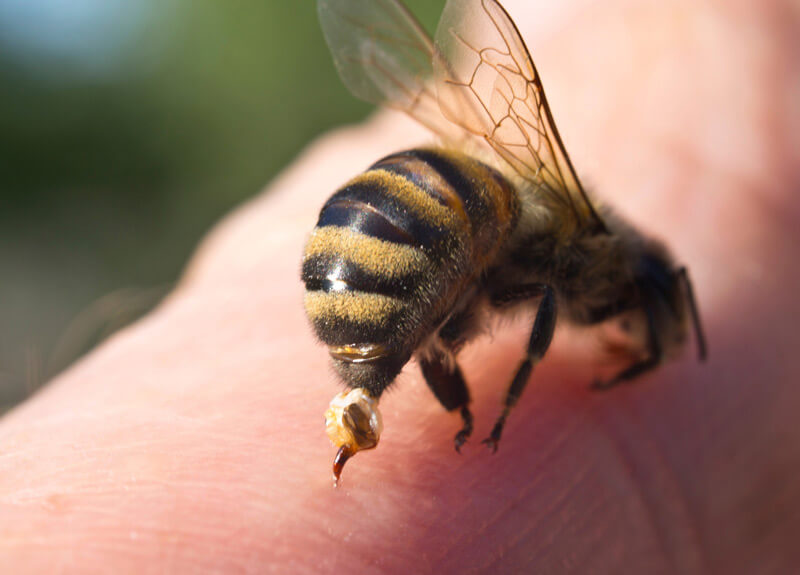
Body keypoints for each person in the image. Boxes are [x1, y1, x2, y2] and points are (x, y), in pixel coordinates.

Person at [2, 0, 798, 571]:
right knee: (476, 269)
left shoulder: (520, 228)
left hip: (373, 230)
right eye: (647, 315)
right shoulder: (577, 251)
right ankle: (405, 386)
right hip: (415, 229)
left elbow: (466, 290)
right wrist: (508, 406)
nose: (636, 329)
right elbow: (528, 295)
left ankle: (381, 383)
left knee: (462, 267)